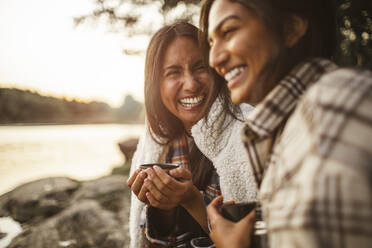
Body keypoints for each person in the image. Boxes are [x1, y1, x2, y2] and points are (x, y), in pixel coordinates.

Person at [199, 0, 372, 247]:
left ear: (291, 28)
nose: (214, 59)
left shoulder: (338, 103)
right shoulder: (289, 129)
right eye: (211, 43)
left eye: (229, 31)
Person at [127, 21, 258, 248]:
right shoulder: (156, 141)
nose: (190, 84)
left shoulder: (250, 132)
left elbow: (253, 236)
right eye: (173, 72)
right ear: (156, 85)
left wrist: (191, 200)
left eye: (199, 67)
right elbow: (159, 239)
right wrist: (161, 205)